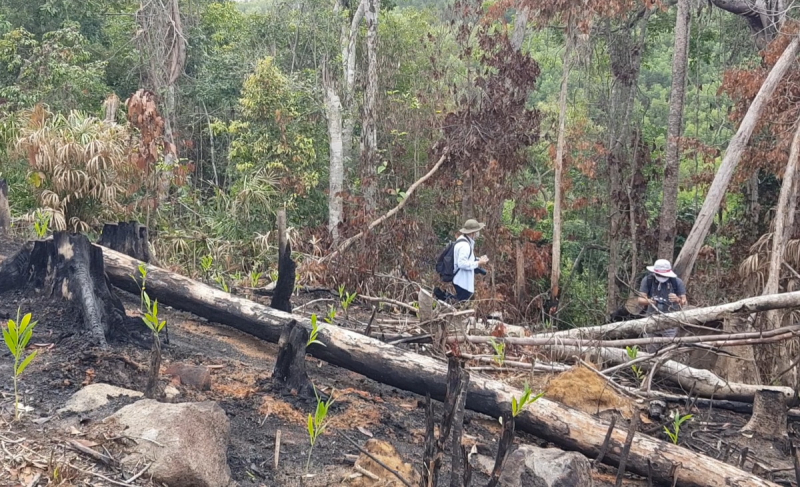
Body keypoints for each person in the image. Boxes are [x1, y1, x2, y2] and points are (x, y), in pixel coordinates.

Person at [637, 259, 687, 351]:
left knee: (668, 350)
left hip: (671, 320)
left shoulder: (677, 282)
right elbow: (640, 299)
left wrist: (677, 299)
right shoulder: (648, 280)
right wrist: (649, 301)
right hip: (652, 319)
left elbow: (684, 301)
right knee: (651, 350)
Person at [434, 219, 489, 302]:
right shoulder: (464, 245)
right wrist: (478, 263)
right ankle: (441, 298)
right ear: (472, 233)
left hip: (462, 281)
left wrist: (478, 259)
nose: (478, 233)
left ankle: (442, 298)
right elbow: (462, 263)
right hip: (462, 281)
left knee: (461, 302)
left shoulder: (464, 241)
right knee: (462, 303)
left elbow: (466, 259)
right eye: (477, 231)